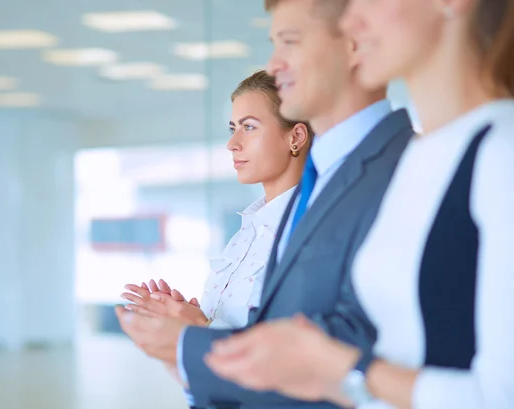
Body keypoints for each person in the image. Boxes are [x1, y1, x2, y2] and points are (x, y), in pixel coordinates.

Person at [204, 0, 514, 408]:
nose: (350, 21)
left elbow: (499, 396)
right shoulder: (420, 158)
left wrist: (339, 366)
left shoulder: (500, 151)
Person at [116, 0, 414, 407]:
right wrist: (187, 339)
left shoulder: (397, 170)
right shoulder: (292, 200)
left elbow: (346, 345)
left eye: (290, 42)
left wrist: (195, 340)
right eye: (233, 128)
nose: (276, 65)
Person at [121, 70, 313, 329]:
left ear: (296, 137)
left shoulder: (311, 230)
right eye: (233, 129)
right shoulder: (246, 233)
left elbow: (294, 348)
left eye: (249, 127)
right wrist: (184, 318)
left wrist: (202, 324)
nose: (232, 143)